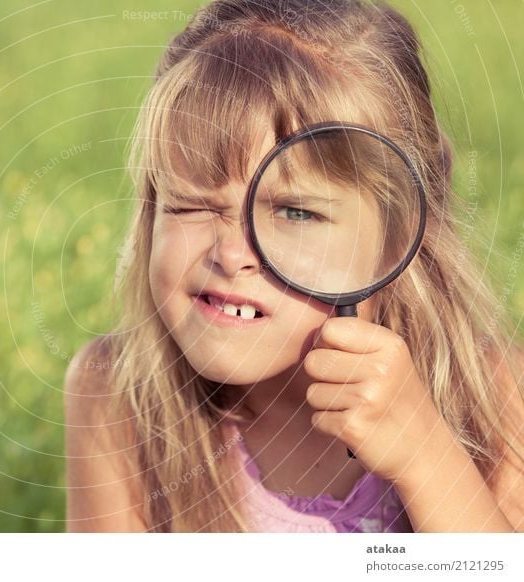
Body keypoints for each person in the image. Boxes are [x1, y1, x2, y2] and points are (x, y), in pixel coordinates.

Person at [64, 0, 524, 532]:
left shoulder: (492, 393)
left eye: (296, 212)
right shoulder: (119, 396)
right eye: (192, 204)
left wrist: (428, 458)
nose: (231, 255)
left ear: (398, 237)